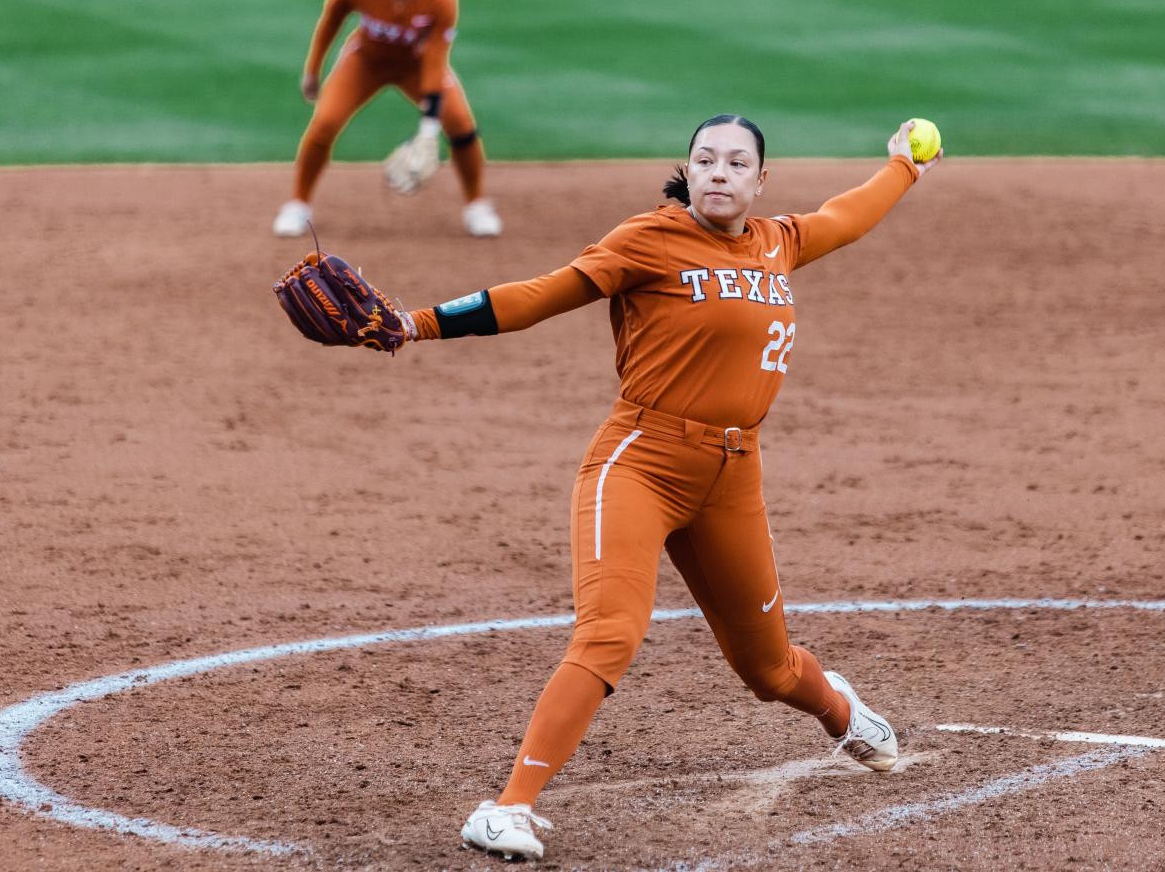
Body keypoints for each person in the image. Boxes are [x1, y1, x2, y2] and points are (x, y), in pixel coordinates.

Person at [390, 116, 942, 860]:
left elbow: (846, 215)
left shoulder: (778, 240)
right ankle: (508, 806)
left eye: (735, 162)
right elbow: (537, 294)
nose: (719, 171)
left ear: (759, 180)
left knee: (769, 668)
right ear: (687, 170)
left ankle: (842, 712)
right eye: (705, 159)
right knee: (610, 630)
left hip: (731, 476)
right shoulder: (647, 239)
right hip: (638, 462)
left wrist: (903, 167)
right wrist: (412, 324)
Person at [272, 0, 502, 239]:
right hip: (364, 62)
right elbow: (330, 21)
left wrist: (429, 125)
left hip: (417, 67)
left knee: (462, 126)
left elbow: (436, 60)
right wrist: (313, 71)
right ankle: (298, 203)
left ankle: (476, 204)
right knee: (324, 123)